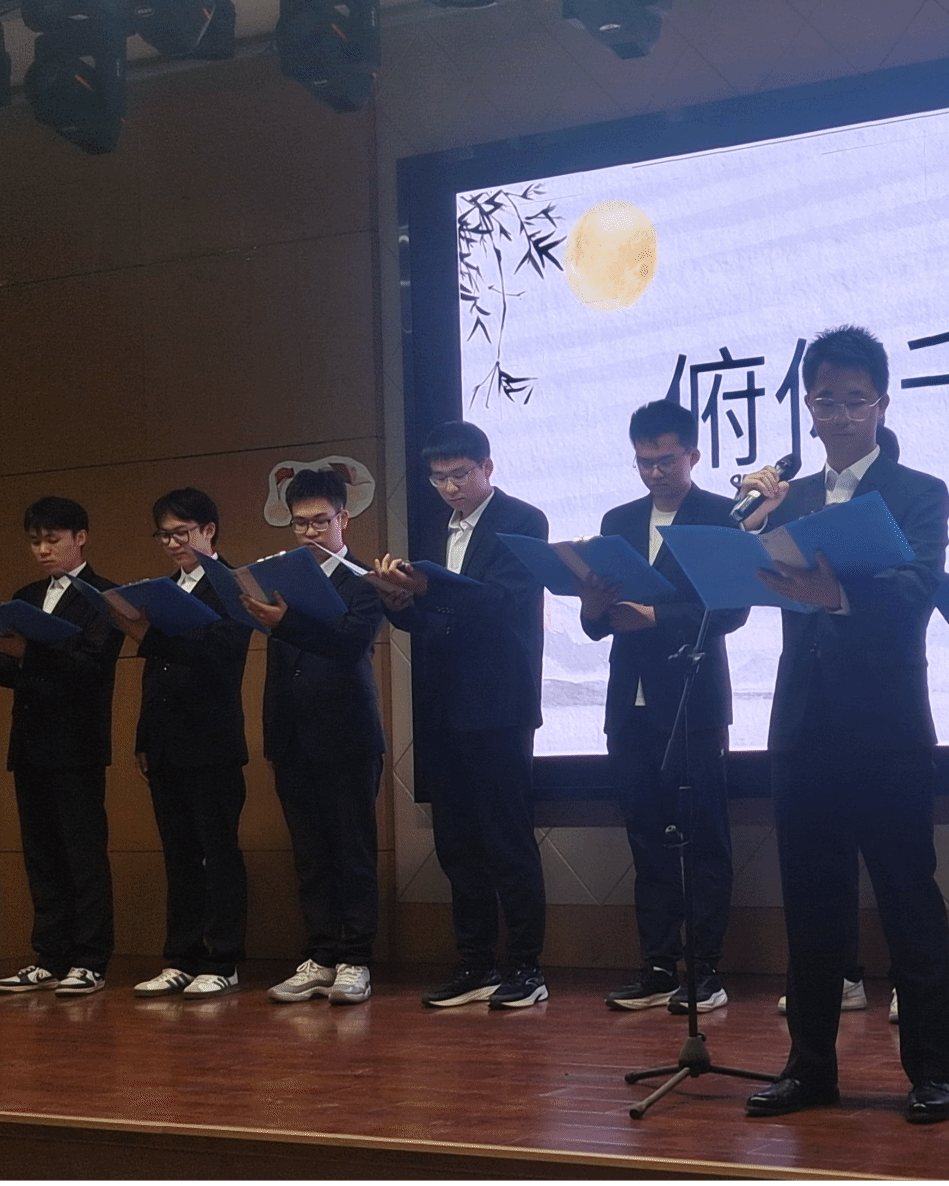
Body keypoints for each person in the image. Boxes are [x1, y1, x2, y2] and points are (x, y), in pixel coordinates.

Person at [734, 325, 949, 1125]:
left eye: (853, 401)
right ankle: (810, 1068)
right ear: (808, 404)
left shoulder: (918, 491)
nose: (837, 416)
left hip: (887, 731)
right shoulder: (786, 497)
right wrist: (749, 526)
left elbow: (918, 589)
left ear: (882, 403)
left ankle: (931, 1072)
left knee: (908, 902)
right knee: (811, 909)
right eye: (823, 401)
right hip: (803, 729)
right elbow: (736, 585)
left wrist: (838, 595)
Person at [372, 421, 552, 1012]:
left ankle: (526, 965)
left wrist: (431, 587)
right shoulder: (434, 528)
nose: (449, 488)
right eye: (438, 478)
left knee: (507, 839)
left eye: (459, 475)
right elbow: (428, 621)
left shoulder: (523, 520)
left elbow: (503, 601)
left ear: (487, 468)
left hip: (498, 703)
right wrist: (399, 602)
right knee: (456, 843)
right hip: (443, 704)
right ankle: (475, 962)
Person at [580, 400, 748, 1014]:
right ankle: (656, 964)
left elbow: (731, 609)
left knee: (704, 840)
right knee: (645, 838)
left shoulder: (721, 516)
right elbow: (597, 623)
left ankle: (704, 970)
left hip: (691, 700)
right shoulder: (618, 520)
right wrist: (593, 608)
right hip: (628, 702)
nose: (654, 473)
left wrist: (657, 616)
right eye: (644, 462)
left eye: (666, 461)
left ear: (693, 456)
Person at [0, 496, 124, 997]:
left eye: (52, 539)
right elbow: (17, 672)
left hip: (77, 744)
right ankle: (50, 956)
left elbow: (90, 666)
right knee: (41, 854)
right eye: (35, 542)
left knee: (82, 853)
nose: (42, 550)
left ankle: (90, 960)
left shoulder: (105, 596)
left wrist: (28, 652)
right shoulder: (26, 596)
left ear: (81, 537)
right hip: (31, 743)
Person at [245, 468, 387, 1007]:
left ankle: (355, 959)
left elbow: (349, 644)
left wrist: (285, 622)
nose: (309, 532)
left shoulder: (365, 579)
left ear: (343, 518)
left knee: (353, 852)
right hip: (292, 737)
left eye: (319, 521)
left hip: (347, 736)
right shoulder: (279, 579)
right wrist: (272, 735)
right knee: (310, 856)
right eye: (299, 523)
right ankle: (321, 956)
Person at [117, 488, 253, 999]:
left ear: (208, 530)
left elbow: (220, 653)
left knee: (218, 852)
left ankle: (223, 958)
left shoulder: (233, 583)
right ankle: (182, 956)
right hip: (166, 742)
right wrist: (143, 736)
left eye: (182, 533)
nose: (173, 543)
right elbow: (155, 673)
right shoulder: (165, 589)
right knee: (178, 853)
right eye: (164, 535)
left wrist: (146, 634)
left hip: (213, 738)